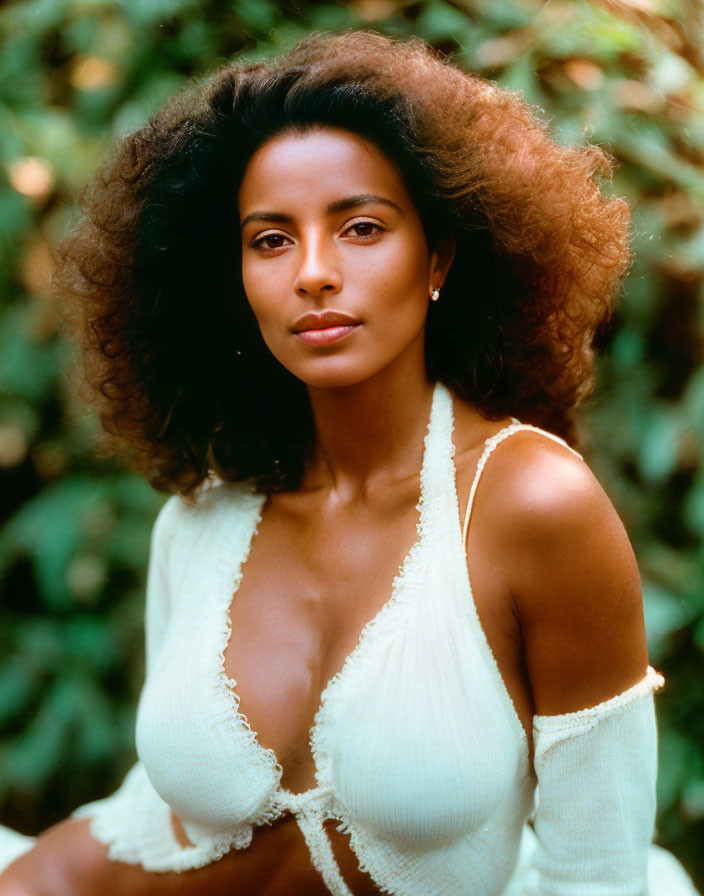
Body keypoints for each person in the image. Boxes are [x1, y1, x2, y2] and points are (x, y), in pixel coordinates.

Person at [0, 28, 699, 896]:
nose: (315, 274)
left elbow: (597, 879)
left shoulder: (533, 508)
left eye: (360, 227)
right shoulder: (204, 519)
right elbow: (152, 820)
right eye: (270, 240)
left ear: (439, 255)